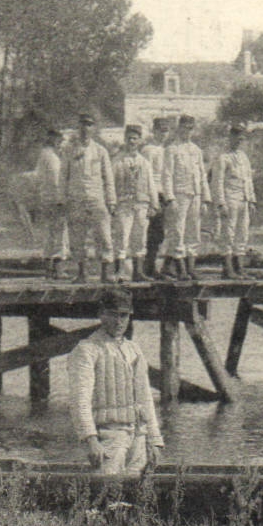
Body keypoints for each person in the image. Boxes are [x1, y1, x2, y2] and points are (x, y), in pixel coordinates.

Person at [70, 287, 164, 475]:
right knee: (107, 494)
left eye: (124, 316)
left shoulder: (134, 350)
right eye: (113, 315)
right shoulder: (87, 350)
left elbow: (145, 398)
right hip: (108, 437)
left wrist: (155, 440)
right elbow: (79, 400)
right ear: (101, 314)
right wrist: (91, 439)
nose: (119, 321)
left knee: (136, 496)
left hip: (138, 437)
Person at [64, 112, 116, 283]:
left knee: (104, 235)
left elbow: (108, 178)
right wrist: (62, 200)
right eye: (82, 125)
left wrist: (111, 201)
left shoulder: (100, 151)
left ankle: (106, 273)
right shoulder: (69, 151)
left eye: (89, 125)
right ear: (78, 128)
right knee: (77, 237)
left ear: (93, 128)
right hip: (76, 198)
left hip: (96, 198)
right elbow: (63, 177)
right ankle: (81, 273)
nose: (85, 129)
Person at [162, 115, 210, 278]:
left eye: (190, 128)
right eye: (184, 128)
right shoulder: (172, 149)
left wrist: (205, 198)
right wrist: (170, 198)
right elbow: (167, 175)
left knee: (194, 231)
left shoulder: (196, 150)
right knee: (178, 231)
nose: (187, 132)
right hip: (179, 195)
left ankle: (191, 267)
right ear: (179, 128)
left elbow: (202, 175)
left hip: (195, 194)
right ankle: (180, 269)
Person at [110, 124, 157, 282]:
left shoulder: (144, 162)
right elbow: (110, 183)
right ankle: (119, 272)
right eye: (129, 138)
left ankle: (138, 272)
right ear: (124, 139)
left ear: (140, 140)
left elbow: (151, 184)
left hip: (141, 204)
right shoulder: (117, 160)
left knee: (140, 238)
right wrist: (111, 202)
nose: (132, 141)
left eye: (135, 138)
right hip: (124, 203)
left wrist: (154, 204)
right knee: (122, 236)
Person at [210, 123, 255, 277]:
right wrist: (221, 203)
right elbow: (217, 182)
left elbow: (248, 179)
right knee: (228, 233)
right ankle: (228, 268)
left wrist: (252, 200)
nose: (239, 141)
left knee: (242, 234)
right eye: (236, 138)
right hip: (230, 199)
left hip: (243, 199)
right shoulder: (223, 157)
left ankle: (240, 268)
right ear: (230, 137)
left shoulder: (244, 157)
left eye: (242, 139)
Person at [33, 127, 68, 279]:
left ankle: (49, 269)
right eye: (58, 139)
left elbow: (38, 178)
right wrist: (63, 198)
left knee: (49, 233)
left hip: (46, 199)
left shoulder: (44, 155)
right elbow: (56, 180)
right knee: (59, 233)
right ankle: (58, 269)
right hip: (56, 199)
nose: (60, 142)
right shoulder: (51, 157)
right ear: (52, 139)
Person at [142, 116, 174, 277]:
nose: (163, 134)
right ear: (153, 131)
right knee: (153, 233)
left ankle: (158, 266)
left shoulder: (165, 150)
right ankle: (148, 267)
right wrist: (151, 199)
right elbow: (145, 176)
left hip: (164, 193)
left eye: (166, 131)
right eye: (160, 130)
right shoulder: (148, 150)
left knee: (161, 232)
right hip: (152, 194)